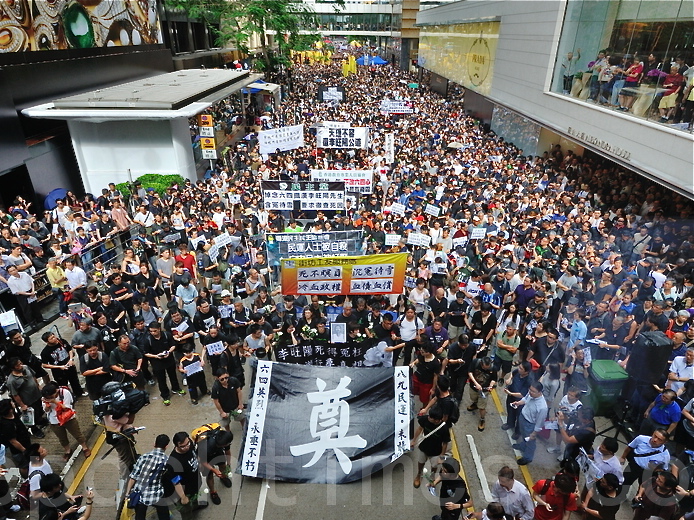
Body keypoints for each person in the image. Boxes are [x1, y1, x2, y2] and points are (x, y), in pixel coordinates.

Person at [125, 434, 171, 520]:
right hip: (156, 495)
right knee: (164, 515)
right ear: (166, 446)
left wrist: (127, 494)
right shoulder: (166, 460)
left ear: (154, 444)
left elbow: (133, 477)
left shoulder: (143, 457)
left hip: (140, 495)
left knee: (139, 517)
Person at [41, 382, 91, 461]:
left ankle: (84, 447)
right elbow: (46, 410)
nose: (49, 398)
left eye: (51, 396)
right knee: (62, 438)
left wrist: (55, 402)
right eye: (47, 397)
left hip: (68, 419)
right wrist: (47, 406)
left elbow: (66, 408)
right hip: (54, 421)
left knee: (77, 434)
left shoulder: (65, 393)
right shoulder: (45, 398)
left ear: (56, 391)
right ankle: (67, 451)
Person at [144, 322, 184, 406]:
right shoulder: (148, 340)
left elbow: (173, 345)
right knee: (161, 380)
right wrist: (156, 356)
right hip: (157, 363)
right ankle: (165, 396)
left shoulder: (167, 335)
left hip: (169, 360)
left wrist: (169, 352)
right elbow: (146, 353)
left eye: (155, 331)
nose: (153, 333)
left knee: (173, 375)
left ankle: (176, 388)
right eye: (151, 331)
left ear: (159, 329)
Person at [165, 432, 204, 516]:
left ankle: (195, 506)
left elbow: (194, 454)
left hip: (195, 480)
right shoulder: (173, 462)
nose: (186, 447)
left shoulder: (189, 444)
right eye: (182, 446)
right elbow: (176, 482)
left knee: (195, 497)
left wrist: (199, 464)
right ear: (176, 445)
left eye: (187, 444)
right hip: (185, 489)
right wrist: (183, 497)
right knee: (186, 511)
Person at [6, 357, 47, 438]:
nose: (21, 366)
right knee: (31, 416)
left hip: (37, 395)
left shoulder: (26, 367)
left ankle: (40, 420)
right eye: (18, 365)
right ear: (13, 368)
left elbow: (33, 376)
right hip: (28, 401)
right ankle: (34, 430)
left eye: (20, 363)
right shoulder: (11, 381)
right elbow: (15, 394)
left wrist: (38, 386)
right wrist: (22, 405)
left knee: (39, 409)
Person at [411, 407, 450, 489]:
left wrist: (441, 456)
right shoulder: (425, 419)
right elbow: (419, 428)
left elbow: (445, 443)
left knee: (434, 466)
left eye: (431, 418)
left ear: (437, 420)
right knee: (421, 462)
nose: (428, 418)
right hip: (423, 447)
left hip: (435, 452)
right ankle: (419, 474)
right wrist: (414, 440)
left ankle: (432, 477)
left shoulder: (444, 429)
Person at [511, 381, 548, 465]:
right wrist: (519, 403)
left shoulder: (542, 407)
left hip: (530, 424)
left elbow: (540, 423)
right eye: (530, 390)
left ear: (539, 392)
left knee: (531, 441)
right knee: (524, 436)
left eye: (533, 391)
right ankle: (523, 446)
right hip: (523, 417)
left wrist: (534, 433)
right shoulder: (531, 394)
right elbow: (526, 398)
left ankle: (528, 457)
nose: (530, 392)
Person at [40, 332, 84, 398]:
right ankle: (69, 397)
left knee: (75, 381)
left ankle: (79, 393)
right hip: (59, 372)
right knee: (63, 385)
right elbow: (45, 365)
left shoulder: (62, 341)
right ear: (47, 341)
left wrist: (71, 359)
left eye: (54, 336)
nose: (54, 339)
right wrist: (59, 367)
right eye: (51, 338)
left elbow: (70, 350)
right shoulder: (45, 352)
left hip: (69, 366)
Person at [198, 429, 233, 506]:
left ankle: (223, 477)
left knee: (222, 466)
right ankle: (213, 492)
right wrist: (214, 470)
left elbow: (227, 452)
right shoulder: (205, 447)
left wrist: (229, 464)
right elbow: (203, 462)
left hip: (217, 452)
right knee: (210, 475)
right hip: (206, 458)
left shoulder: (225, 439)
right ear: (221, 445)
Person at [502, 361, 532, 439]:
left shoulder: (528, 380)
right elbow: (513, 373)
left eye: (521, 368)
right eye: (519, 367)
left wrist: (510, 393)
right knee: (510, 411)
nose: (519, 369)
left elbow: (522, 394)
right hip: (511, 397)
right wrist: (509, 379)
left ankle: (517, 432)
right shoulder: (518, 372)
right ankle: (510, 423)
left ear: (526, 372)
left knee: (519, 417)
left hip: (520, 402)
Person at [467, 356, 497, 432]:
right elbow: (470, 372)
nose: (486, 369)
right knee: (473, 397)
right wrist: (476, 383)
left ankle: (482, 419)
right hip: (473, 387)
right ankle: (475, 403)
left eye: (487, 368)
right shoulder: (475, 362)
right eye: (484, 368)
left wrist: (490, 386)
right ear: (481, 363)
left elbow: (494, 379)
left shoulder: (493, 368)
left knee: (482, 407)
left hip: (484, 390)